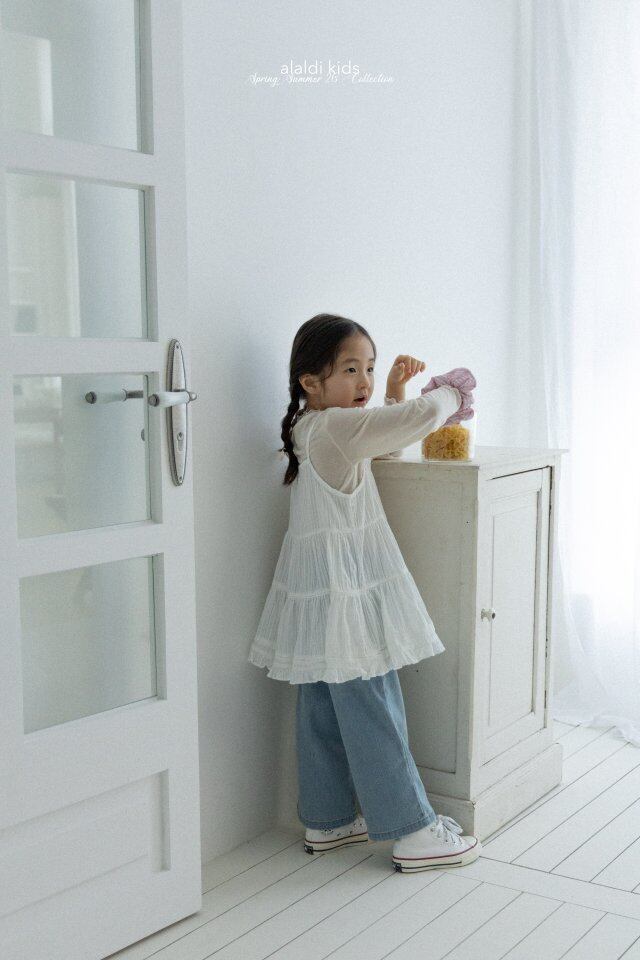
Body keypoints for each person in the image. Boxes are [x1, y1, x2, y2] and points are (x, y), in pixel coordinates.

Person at [247, 313, 482, 873]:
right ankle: (412, 830)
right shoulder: (335, 429)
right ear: (310, 381)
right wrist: (451, 392)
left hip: (323, 594)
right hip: (346, 593)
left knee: (324, 705)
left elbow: (382, 445)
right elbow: (414, 421)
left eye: (369, 369)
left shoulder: (315, 427)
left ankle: (327, 818)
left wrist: (394, 391)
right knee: (374, 703)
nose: (365, 381)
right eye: (350, 370)